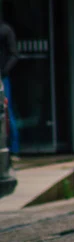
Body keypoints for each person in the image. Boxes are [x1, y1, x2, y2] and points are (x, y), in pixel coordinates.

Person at [0, 13, 19, 155]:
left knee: (7, 111)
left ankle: (14, 149)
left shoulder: (5, 30)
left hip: (2, 78)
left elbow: (14, 54)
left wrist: (3, 72)